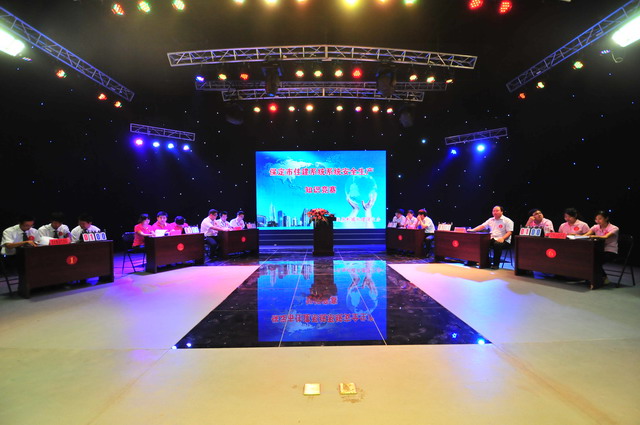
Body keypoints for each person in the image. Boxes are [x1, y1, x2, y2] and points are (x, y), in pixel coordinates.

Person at [470, 205, 514, 269]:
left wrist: (502, 238)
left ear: (502, 212)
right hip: (492, 239)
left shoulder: (507, 221)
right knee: (481, 243)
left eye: (497, 211)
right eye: (493, 211)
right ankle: (485, 262)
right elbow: (482, 226)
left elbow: (509, 232)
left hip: (504, 240)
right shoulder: (490, 220)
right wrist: (473, 230)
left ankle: (496, 264)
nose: (495, 212)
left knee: (497, 244)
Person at [584, 210, 619, 288]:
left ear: (606, 218)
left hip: (610, 251)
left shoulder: (614, 228)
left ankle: (597, 280)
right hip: (599, 250)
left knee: (595, 260)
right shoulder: (595, 227)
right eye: (596, 219)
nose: (598, 221)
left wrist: (593, 236)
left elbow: (605, 237)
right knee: (587, 258)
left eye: (600, 219)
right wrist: (576, 236)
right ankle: (600, 277)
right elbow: (586, 235)